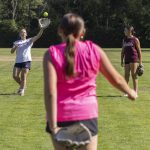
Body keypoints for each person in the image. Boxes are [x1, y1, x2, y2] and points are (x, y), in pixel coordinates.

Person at [43, 13, 137, 150]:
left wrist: (53, 126)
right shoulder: (94, 50)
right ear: (82, 32)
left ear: (59, 30)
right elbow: (116, 79)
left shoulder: (51, 54)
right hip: (87, 115)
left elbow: (50, 93)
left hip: (60, 116)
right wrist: (130, 92)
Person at [11, 21, 46, 96]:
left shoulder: (29, 40)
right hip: (18, 61)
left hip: (27, 60)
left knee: (23, 76)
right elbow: (12, 51)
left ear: (26, 34)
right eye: (21, 32)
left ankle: (22, 90)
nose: (23, 33)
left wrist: (42, 29)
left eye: (24, 32)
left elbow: (38, 36)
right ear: (19, 34)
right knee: (15, 76)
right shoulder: (16, 42)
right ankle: (22, 86)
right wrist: (15, 47)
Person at [121, 25, 143, 97]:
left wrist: (140, 62)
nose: (124, 31)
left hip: (134, 59)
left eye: (125, 30)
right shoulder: (124, 39)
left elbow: (139, 51)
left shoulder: (135, 39)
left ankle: (135, 92)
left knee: (134, 75)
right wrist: (121, 60)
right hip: (127, 59)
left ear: (129, 31)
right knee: (126, 75)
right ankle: (126, 92)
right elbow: (123, 51)